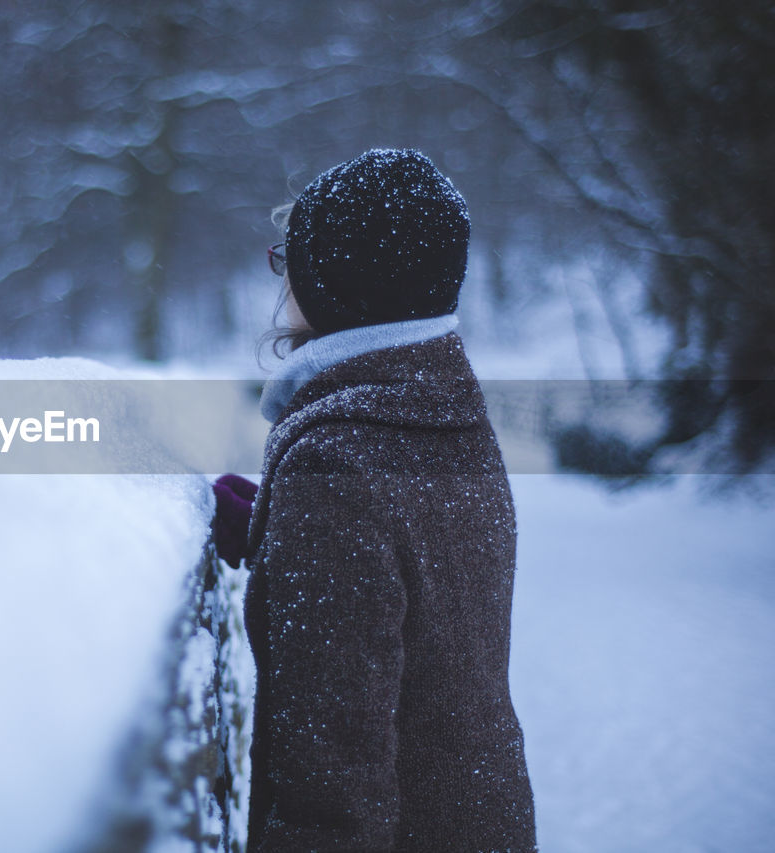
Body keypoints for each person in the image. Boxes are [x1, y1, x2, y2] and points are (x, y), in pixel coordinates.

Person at [211, 149, 537, 852]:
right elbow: (419, 560)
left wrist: (308, 515)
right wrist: (277, 527)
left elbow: (331, 783)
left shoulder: (335, 473)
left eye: (287, 261)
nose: (282, 280)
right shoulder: (448, 411)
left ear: (339, 285)